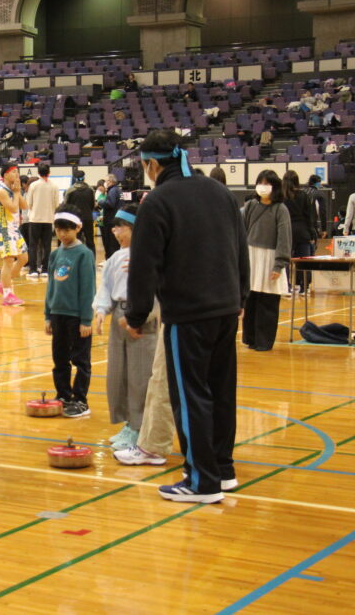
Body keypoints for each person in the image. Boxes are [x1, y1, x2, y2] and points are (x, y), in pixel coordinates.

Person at [126, 129, 249, 504]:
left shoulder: (158, 201)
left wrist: (136, 314)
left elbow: (144, 266)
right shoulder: (219, 192)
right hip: (226, 308)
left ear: (151, 164)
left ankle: (201, 481)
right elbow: (240, 248)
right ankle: (222, 470)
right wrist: (241, 296)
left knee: (190, 395)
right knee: (221, 392)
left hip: (188, 313)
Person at [92, 202, 159, 447]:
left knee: (140, 375)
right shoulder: (115, 258)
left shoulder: (151, 257)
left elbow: (157, 293)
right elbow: (106, 288)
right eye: (115, 227)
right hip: (119, 318)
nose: (115, 232)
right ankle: (129, 423)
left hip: (140, 320)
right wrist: (101, 311)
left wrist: (142, 317)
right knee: (118, 374)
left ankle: (140, 427)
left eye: (121, 227)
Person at [44, 204, 96, 417]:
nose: (62, 234)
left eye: (67, 230)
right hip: (58, 315)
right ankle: (63, 395)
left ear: (77, 228)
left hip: (77, 317)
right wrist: (48, 315)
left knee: (81, 360)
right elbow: (50, 286)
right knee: (60, 359)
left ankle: (81, 400)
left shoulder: (84, 254)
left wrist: (86, 319)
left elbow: (88, 289)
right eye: (58, 230)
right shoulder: (55, 254)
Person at [241, 171, 291, 351]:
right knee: (251, 300)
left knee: (268, 301)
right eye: (260, 182)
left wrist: (279, 264)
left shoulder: (280, 209)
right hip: (251, 256)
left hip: (270, 258)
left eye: (266, 183)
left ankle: (264, 341)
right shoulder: (250, 205)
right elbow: (241, 231)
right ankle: (250, 338)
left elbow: (284, 238)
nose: (262, 187)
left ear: (274, 186)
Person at [0, 163, 28, 306]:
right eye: (14, 172)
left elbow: (24, 206)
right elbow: (13, 208)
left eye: (17, 172)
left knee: (24, 258)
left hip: (14, 228)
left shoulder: (12, 189)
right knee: (8, 261)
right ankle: (7, 295)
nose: (17, 175)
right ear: (6, 175)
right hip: (5, 230)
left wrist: (17, 191)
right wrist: (17, 192)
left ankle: (3, 284)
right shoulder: (1, 190)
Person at [282, 170, 317, 294]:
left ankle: (286, 287)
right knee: (303, 260)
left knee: (285, 260)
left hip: (286, 230)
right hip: (303, 231)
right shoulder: (304, 195)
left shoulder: (281, 196)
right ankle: (304, 287)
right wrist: (312, 234)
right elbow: (309, 216)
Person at [25, 163, 61, 279]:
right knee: (47, 245)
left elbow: (29, 203)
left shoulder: (33, 185)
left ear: (38, 173)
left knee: (33, 245)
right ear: (49, 172)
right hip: (48, 219)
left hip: (35, 219)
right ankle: (45, 269)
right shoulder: (54, 186)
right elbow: (56, 204)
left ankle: (33, 270)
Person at [64, 170, 96, 254]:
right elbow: (93, 205)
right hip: (88, 218)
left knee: (75, 241)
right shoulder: (90, 189)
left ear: (74, 178)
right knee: (90, 241)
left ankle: (76, 259)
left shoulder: (70, 190)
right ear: (84, 178)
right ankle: (92, 259)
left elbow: (66, 205)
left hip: (75, 219)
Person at [100, 175, 123, 258]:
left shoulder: (112, 191)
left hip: (111, 220)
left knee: (110, 243)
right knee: (116, 243)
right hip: (117, 219)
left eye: (106, 181)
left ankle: (110, 260)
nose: (105, 183)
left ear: (110, 181)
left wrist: (101, 202)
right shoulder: (118, 190)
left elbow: (110, 204)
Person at [303, 174, 328, 239]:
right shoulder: (319, 194)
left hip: (301, 226)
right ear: (317, 183)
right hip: (312, 226)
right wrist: (324, 229)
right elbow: (322, 212)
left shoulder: (302, 192)